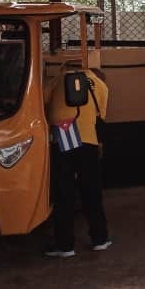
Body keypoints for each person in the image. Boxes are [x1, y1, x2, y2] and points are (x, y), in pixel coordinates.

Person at [44, 65, 110, 258]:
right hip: (88, 141)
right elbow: (101, 116)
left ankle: (65, 246)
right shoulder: (99, 84)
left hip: (63, 139)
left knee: (64, 192)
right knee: (91, 190)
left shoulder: (57, 79)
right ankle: (100, 239)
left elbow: (42, 101)